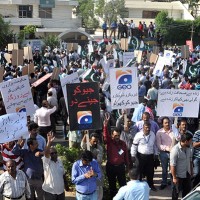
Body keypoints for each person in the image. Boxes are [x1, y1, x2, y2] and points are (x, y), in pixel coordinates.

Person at [103, 113, 129, 199]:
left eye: (118, 135)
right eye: (115, 136)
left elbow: (125, 155)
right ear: (112, 136)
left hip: (121, 167)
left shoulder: (123, 144)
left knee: (123, 185)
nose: (117, 137)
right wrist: (105, 125)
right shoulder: (109, 142)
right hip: (111, 167)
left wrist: (127, 166)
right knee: (112, 186)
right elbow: (106, 136)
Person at [131, 122, 158, 191]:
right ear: (143, 128)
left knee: (150, 172)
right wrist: (133, 155)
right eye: (146, 127)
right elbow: (134, 145)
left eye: (149, 127)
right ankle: (139, 187)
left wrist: (156, 154)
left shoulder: (152, 134)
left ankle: (150, 185)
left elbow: (154, 145)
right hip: (141, 156)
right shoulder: (138, 135)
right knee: (139, 171)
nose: (148, 129)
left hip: (150, 156)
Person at [42, 132, 68, 200]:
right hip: (50, 192)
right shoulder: (47, 162)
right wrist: (49, 142)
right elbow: (46, 153)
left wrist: (66, 186)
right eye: (52, 153)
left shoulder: (60, 161)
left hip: (61, 192)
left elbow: (63, 174)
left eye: (55, 153)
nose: (54, 154)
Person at [156, 117, 178, 190]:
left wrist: (176, 132)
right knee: (164, 169)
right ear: (162, 124)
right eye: (165, 123)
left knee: (173, 169)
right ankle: (164, 182)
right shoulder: (159, 132)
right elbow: (159, 145)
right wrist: (167, 148)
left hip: (173, 153)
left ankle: (173, 184)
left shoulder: (173, 131)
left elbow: (178, 139)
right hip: (163, 153)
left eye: (168, 122)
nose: (167, 124)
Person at [81, 133, 104, 200]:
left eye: (96, 141)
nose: (95, 143)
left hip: (97, 170)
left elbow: (99, 160)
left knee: (99, 189)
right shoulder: (87, 146)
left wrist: (90, 157)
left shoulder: (100, 148)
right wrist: (85, 136)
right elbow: (82, 145)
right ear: (90, 140)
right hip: (87, 171)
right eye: (94, 141)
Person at [170, 132, 193, 199]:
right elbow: (172, 165)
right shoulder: (175, 150)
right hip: (178, 176)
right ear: (186, 141)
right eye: (191, 141)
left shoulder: (189, 148)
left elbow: (190, 161)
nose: (192, 142)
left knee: (187, 193)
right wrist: (174, 177)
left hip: (187, 173)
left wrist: (191, 171)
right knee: (176, 193)